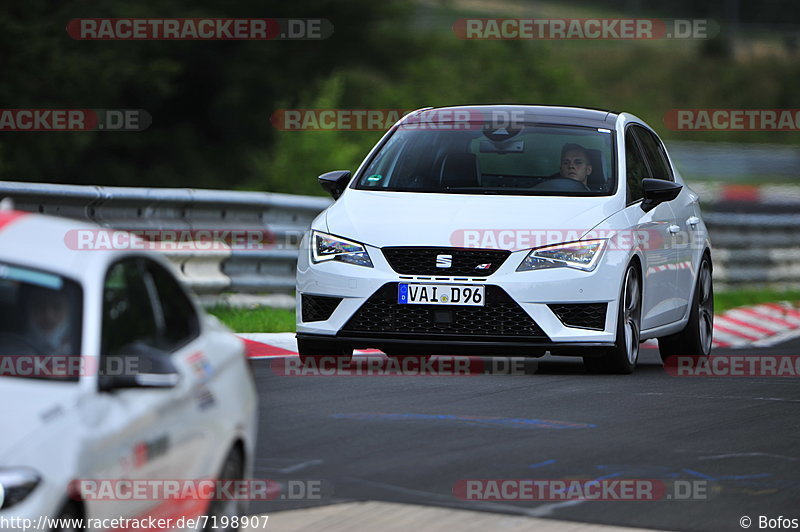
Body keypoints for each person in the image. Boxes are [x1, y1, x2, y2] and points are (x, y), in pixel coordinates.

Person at [26, 285, 74, 355]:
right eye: (41, 306)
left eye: (57, 307)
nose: (48, 316)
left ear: (68, 311)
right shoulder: (15, 346)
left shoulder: (78, 345)